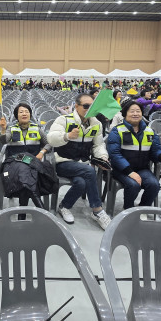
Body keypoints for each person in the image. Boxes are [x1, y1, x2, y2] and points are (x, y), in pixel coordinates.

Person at [47, 93, 112, 230]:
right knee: (89, 171)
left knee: (81, 182)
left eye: (92, 106)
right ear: (76, 106)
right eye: (86, 106)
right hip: (63, 163)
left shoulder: (96, 124)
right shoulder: (64, 120)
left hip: (82, 164)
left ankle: (64, 206)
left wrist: (103, 156)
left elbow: (98, 145)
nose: (89, 109)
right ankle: (97, 210)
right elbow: (51, 139)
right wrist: (66, 136)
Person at [107, 101, 161, 209]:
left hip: (142, 169)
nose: (135, 114)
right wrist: (130, 172)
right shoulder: (117, 131)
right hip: (121, 170)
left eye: (138, 111)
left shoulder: (150, 132)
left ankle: (143, 209)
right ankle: (129, 209)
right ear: (125, 114)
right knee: (133, 185)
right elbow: (114, 155)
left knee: (154, 185)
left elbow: (156, 150)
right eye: (132, 111)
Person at [0, 103, 54, 207]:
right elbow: (4, 141)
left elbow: (49, 143)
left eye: (26, 112)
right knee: (24, 171)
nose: (24, 114)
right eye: (21, 112)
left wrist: (42, 152)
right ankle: (40, 207)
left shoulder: (37, 129)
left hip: (33, 163)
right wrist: (3, 129)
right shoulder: (11, 129)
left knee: (25, 175)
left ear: (30, 114)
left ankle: (23, 210)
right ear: (16, 116)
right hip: (14, 163)